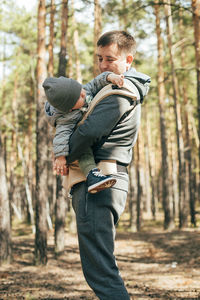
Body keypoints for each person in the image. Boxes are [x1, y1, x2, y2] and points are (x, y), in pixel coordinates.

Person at [61, 31, 150, 299]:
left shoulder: (119, 92)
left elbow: (87, 133)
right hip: (104, 181)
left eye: (110, 59)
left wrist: (63, 150)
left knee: (101, 272)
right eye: (99, 58)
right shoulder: (113, 87)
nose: (102, 66)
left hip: (99, 182)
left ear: (128, 59)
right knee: (101, 268)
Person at [43, 72, 124, 193]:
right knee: (83, 149)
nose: (84, 94)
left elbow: (97, 81)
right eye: (79, 97)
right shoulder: (66, 118)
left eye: (80, 89)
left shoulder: (84, 90)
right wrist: (60, 157)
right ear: (70, 109)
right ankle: (92, 176)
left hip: (92, 130)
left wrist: (111, 77)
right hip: (79, 140)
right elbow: (61, 136)